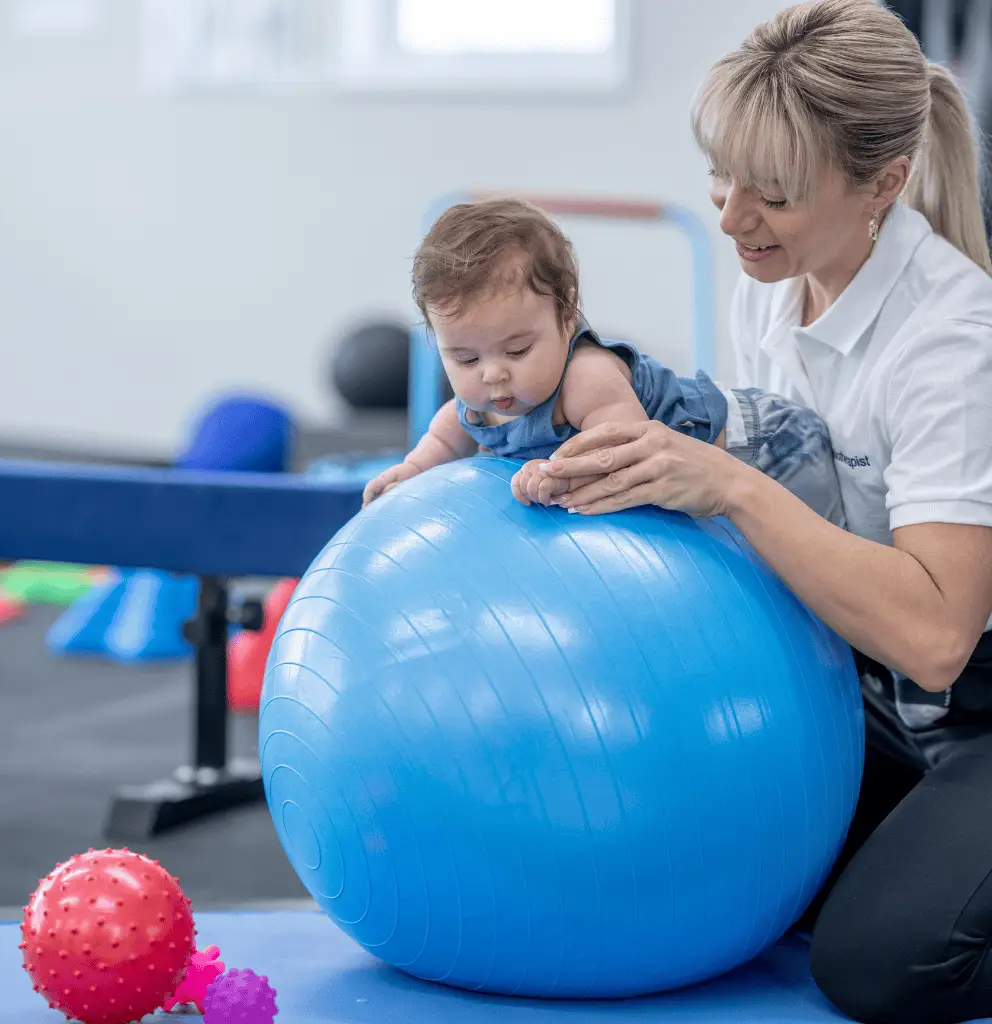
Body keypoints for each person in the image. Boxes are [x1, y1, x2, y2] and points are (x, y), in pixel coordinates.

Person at [539, 2, 992, 1022]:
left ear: (882, 183)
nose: (731, 217)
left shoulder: (953, 341)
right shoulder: (772, 286)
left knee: (878, 964)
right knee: (706, 856)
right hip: (872, 691)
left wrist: (726, 481)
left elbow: (934, 639)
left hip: (966, 700)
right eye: (721, 176)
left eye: (773, 193)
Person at [360, 197, 738, 508]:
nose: (492, 374)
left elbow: (628, 453)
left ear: (566, 312)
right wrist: (409, 473)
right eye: (466, 359)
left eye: (518, 350)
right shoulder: (474, 407)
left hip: (749, 441)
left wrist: (559, 472)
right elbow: (443, 444)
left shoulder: (587, 380)